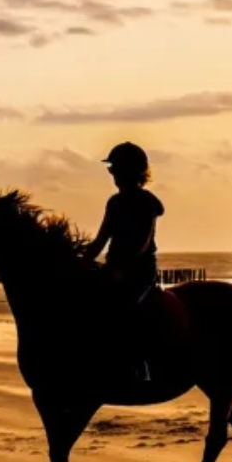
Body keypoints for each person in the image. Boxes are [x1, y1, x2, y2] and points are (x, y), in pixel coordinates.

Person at [86, 142, 164, 380]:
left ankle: (141, 366)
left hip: (139, 271)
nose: (115, 176)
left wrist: (121, 269)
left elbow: (141, 244)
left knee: (128, 310)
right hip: (114, 268)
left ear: (134, 172)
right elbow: (101, 238)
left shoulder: (147, 202)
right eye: (113, 170)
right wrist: (82, 260)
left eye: (118, 170)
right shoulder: (114, 202)